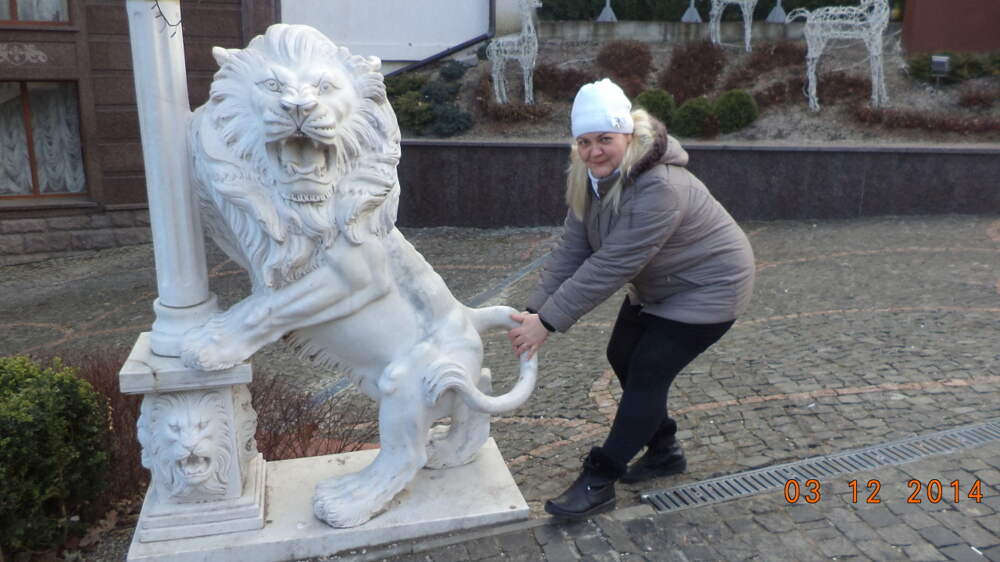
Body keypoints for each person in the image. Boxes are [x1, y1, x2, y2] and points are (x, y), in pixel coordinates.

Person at [507, 78, 755, 519]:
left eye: (605, 139)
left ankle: (600, 479)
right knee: (621, 353)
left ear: (628, 134)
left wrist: (547, 323)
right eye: (585, 142)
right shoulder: (589, 179)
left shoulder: (660, 186)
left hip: (711, 287)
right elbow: (573, 249)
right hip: (661, 286)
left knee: (648, 367)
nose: (594, 151)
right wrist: (534, 309)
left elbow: (612, 264)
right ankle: (664, 450)